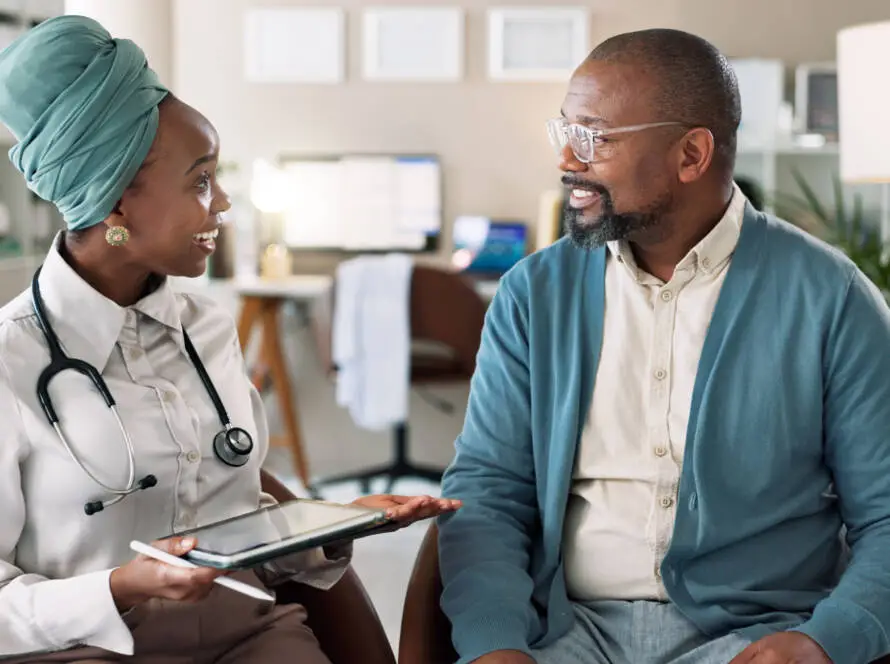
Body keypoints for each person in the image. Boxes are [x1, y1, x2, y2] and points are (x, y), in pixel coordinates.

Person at [0, 16, 459, 663]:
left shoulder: (208, 328)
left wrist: (330, 523)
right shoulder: (10, 361)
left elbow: (234, 524)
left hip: (248, 636)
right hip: (89, 651)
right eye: (199, 181)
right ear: (118, 202)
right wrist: (118, 589)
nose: (222, 206)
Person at [438, 28, 890, 664]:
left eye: (594, 137)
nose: (568, 158)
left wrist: (824, 639)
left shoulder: (832, 298)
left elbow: (887, 516)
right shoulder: (532, 294)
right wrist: (492, 642)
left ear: (692, 154)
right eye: (564, 130)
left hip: (754, 640)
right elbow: (489, 492)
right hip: (565, 634)